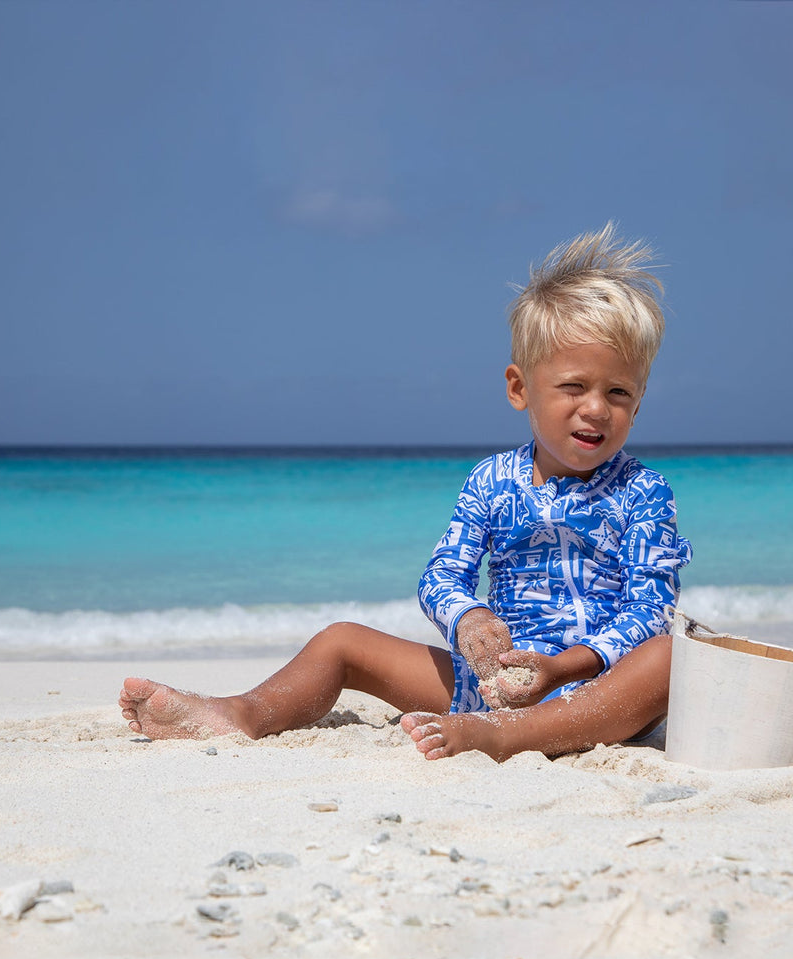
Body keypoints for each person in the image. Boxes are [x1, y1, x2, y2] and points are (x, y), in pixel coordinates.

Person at [118, 224, 691, 761]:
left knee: (670, 658)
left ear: (637, 405)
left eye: (618, 392)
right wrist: (468, 620)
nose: (596, 408)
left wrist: (562, 669)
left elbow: (648, 611)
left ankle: (507, 738)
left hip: (594, 692)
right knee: (341, 641)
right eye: (574, 387)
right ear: (520, 389)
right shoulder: (491, 481)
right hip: (490, 685)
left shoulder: (643, 493)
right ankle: (242, 713)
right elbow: (442, 575)